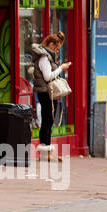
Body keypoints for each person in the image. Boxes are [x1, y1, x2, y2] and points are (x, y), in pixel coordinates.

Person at [29, 32, 71, 160]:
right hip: (45, 92)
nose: (57, 51)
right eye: (56, 48)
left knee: (48, 121)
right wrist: (61, 69)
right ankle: (44, 151)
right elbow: (48, 77)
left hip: (47, 92)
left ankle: (47, 150)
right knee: (47, 122)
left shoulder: (47, 57)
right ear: (51, 44)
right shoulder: (44, 58)